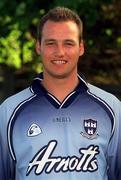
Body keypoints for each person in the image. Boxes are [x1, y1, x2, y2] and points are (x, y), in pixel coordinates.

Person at [0, 6, 121, 180]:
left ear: (81, 48)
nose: (60, 52)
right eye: (51, 43)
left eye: (68, 43)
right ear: (38, 47)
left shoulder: (112, 108)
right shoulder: (8, 112)